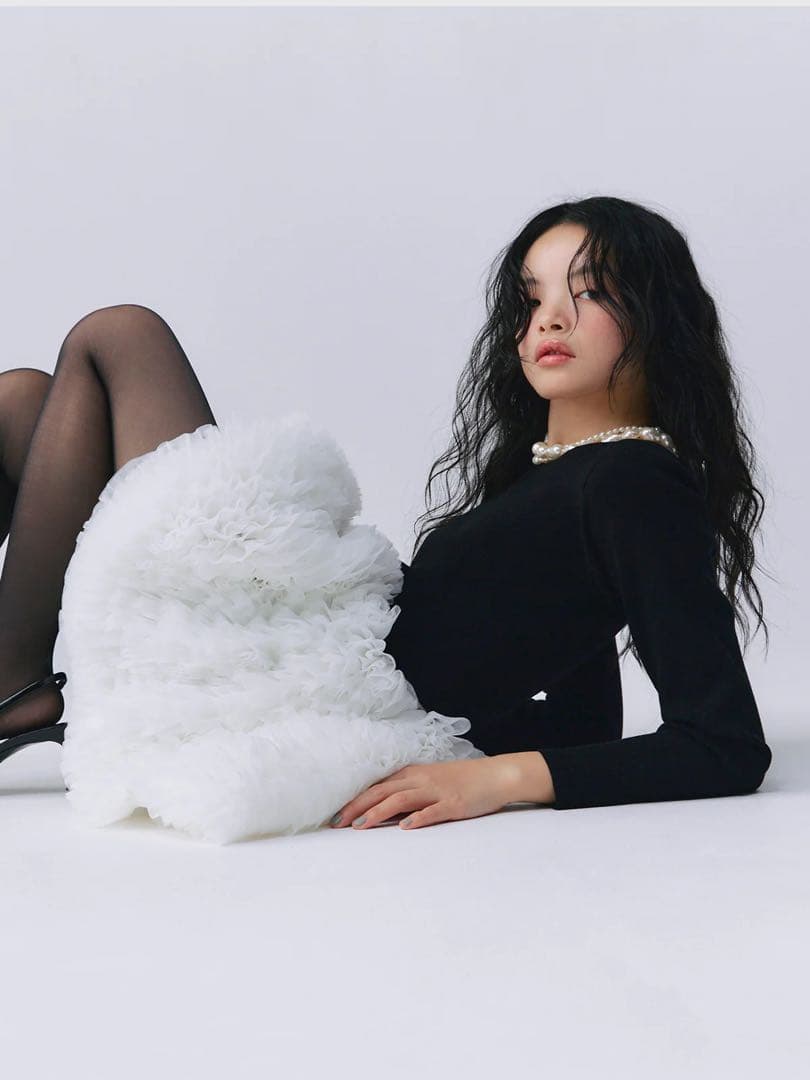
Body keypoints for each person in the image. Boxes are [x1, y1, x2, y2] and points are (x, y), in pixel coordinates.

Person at [0, 194, 774, 835]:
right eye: (531, 298)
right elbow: (584, 721)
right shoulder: (559, 479)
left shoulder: (637, 482)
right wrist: (477, 747)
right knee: (26, 402)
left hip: (314, 672)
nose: (550, 319)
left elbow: (724, 744)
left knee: (118, 335)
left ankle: (14, 684)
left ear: (657, 316)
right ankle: (15, 688)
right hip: (315, 645)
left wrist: (489, 780)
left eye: (592, 290)